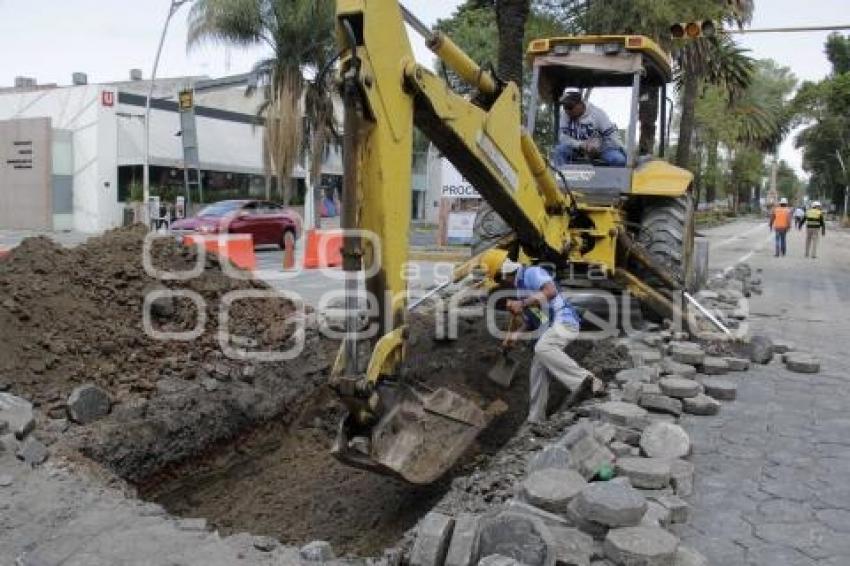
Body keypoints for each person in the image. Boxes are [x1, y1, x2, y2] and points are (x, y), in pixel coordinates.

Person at [480, 249, 594, 424]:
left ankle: (588, 383)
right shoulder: (520, 290)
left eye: (497, 279)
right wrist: (516, 335)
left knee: (542, 348)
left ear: (503, 273)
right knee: (537, 369)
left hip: (565, 321)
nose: (500, 283)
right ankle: (535, 419)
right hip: (551, 326)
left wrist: (522, 303)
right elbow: (536, 319)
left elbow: (550, 291)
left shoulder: (532, 273)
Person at [553, 91, 627, 167]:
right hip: (577, 149)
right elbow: (563, 138)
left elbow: (612, 137)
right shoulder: (565, 115)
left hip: (603, 149)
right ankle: (558, 177)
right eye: (564, 107)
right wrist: (581, 145)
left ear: (580, 104)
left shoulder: (598, 114)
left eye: (570, 107)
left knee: (619, 160)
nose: (567, 110)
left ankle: (613, 179)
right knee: (559, 150)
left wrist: (597, 148)